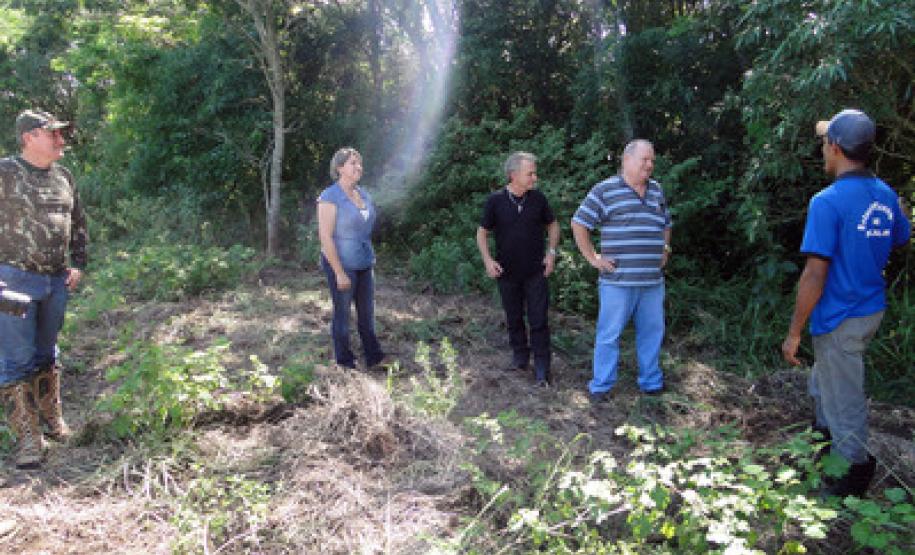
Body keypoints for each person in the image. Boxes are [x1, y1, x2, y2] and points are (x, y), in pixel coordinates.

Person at [781, 109, 911, 497]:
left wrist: (794, 332)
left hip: (841, 315)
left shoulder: (827, 202)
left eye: (825, 143)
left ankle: (851, 475)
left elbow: (814, 275)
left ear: (835, 149)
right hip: (870, 309)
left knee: (844, 400)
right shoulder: (885, 194)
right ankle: (821, 444)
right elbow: (900, 236)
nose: (822, 149)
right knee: (826, 381)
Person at [0, 109, 87, 469]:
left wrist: (78, 263)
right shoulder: (5, 172)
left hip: (55, 280)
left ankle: (52, 421)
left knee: (47, 354)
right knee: (16, 360)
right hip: (13, 281)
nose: (61, 140)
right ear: (29, 137)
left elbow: (77, 221)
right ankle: (27, 439)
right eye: (53, 134)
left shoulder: (64, 176)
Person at [571, 139, 672, 403]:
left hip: (652, 282)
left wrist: (665, 249)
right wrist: (593, 258)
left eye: (652, 160)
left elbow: (666, 223)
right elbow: (579, 223)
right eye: (644, 159)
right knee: (609, 335)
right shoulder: (605, 190)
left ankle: (651, 382)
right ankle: (601, 386)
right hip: (617, 282)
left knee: (652, 333)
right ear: (626, 160)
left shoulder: (656, 190)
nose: (649, 165)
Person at [476, 152, 560, 387]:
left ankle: (542, 368)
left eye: (534, 173)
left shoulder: (538, 199)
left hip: (536, 271)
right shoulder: (495, 201)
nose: (535, 178)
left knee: (539, 320)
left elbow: (553, 225)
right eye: (530, 173)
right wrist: (488, 260)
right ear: (513, 175)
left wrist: (551, 253)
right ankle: (520, 358)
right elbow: (482, 233)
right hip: (507, 272)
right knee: (513, 318)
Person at [317, 147, 386, 371]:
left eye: (359, 163)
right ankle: (345, 363)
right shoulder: (330, 197)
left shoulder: (363, 194)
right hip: (341, 264)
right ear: (339, 168)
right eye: (353, 163)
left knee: (367, 314)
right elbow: (325, 237)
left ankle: (374, 358)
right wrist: (339, 272)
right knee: (343, 314)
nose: (358, 167)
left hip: (364, 262)